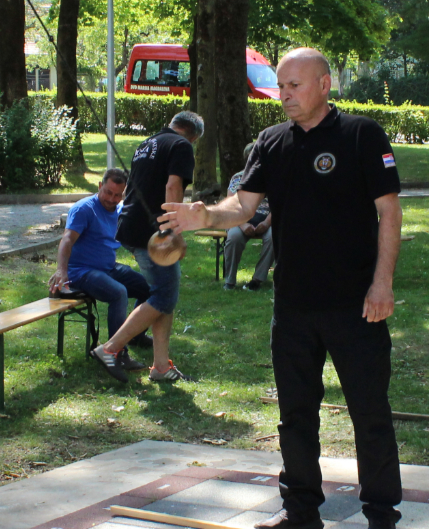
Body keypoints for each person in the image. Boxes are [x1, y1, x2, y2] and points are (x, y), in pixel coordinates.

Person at [161, 49, 405, 529]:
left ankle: (381, 517)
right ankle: (300, 510)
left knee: (369, 412)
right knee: (295, 412)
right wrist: (206, 216)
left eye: (295, 85)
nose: (285, 95)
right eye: (281, 86)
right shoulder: (271, 141)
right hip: (293, 304)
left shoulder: (362, 135)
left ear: (324, 84)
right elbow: (242, 206)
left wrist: (382, 284)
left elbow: (390, 212)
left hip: (356, 303)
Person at [88, 111, 203, 384]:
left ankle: (160, 366)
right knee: (164, 297)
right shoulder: (181, 145)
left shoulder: (147, 143)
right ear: (194, 137)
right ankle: (110, 349)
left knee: (164, 294)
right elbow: (173, 187)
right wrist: (173, 232)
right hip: (151, 232)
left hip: (130, 226)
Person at [47, 169, 149, 373]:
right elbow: (67, 240)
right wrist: (61, 271)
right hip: (81, 272)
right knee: (118, 292)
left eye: (117, 195)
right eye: (108, 192)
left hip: (107, 268)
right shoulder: (84, 209)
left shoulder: (119, 210)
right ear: (100, 186)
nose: (112, 199)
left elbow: (129, 238)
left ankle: (136, 335)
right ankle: (116, 353)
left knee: (148, 288)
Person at [221, 147, 274, 290]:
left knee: (274, 237)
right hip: (240, 220)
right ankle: (229, 281)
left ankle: (257, 280)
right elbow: (231, 205)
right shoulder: (238, 178)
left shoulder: (273, 177)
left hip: (266, 220)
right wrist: (243, 224)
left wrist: (266, 223)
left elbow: (278, 205)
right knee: (234, 237)